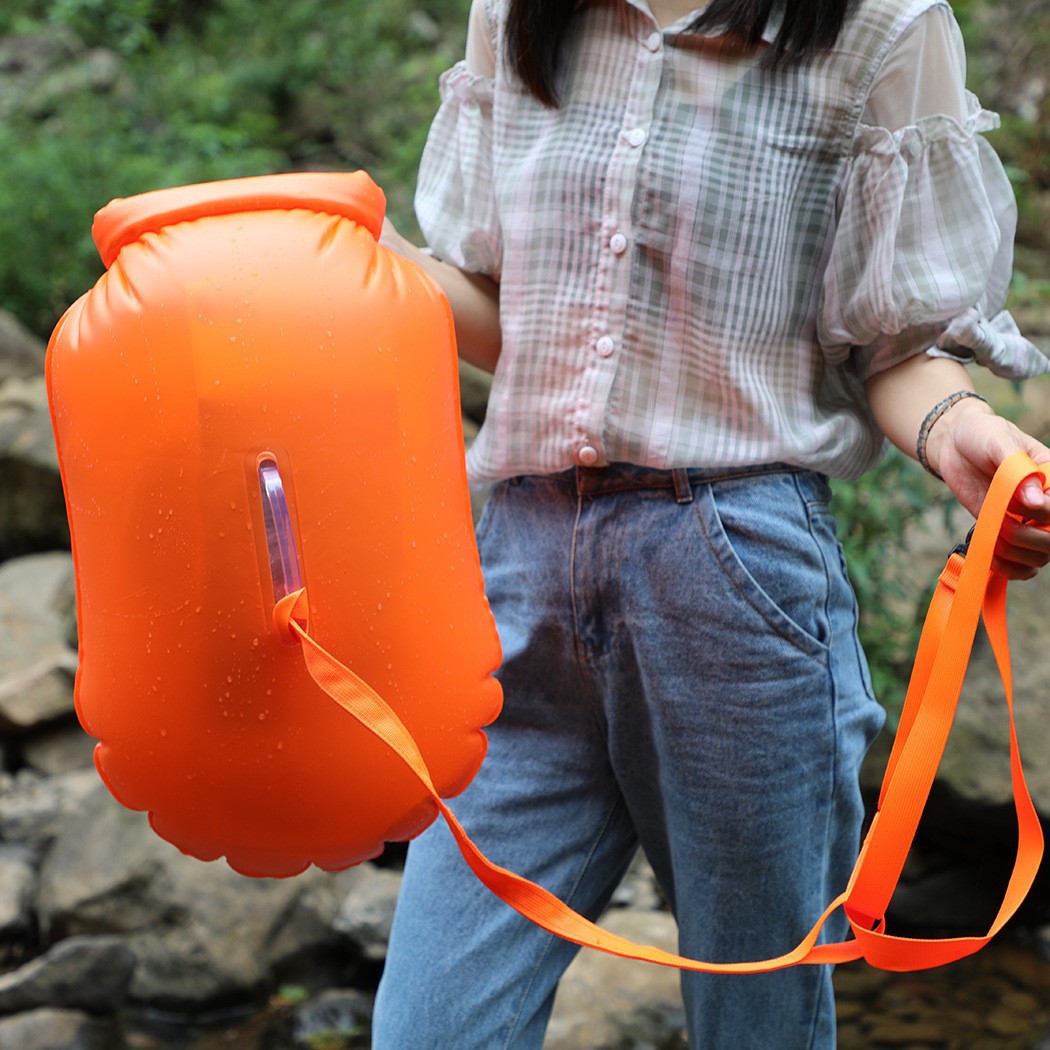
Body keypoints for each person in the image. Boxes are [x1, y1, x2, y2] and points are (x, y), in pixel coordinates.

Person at [372, 0, 1050, 1046]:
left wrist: (960, 427)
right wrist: (347, 254)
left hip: (731, 573)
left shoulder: (881, 28)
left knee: (757, 1023)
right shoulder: (517, 13)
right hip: (520, 560)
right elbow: (511, 316)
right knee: (429, 1027)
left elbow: (900, 346)